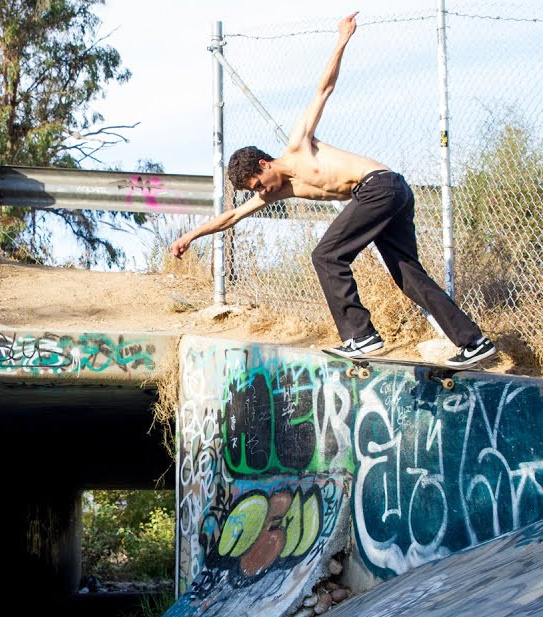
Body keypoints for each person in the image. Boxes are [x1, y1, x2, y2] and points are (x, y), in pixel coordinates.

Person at [170, 12, 496, 369]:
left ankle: (362, 336)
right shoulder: (276, 192)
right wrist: (191, 235)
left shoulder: (298, 145)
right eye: (256, 190)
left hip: (380, 186)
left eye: (259, 184)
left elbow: (323, 89)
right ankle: (474, 342)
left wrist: (342, 39)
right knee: (407, 275)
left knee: (326, 255)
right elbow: (232, 216)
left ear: (264, 164)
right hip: (390, 194)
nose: (262, 192)